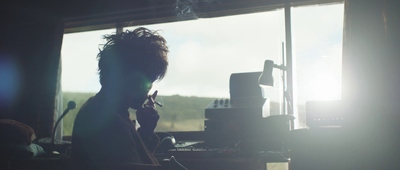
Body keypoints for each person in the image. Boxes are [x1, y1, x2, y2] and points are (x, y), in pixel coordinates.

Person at [71, 27, 169, 170]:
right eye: (147, 81)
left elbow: (131, 159)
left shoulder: (112, 112)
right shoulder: (103, 118)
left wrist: (146, 132)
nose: (149, 89)